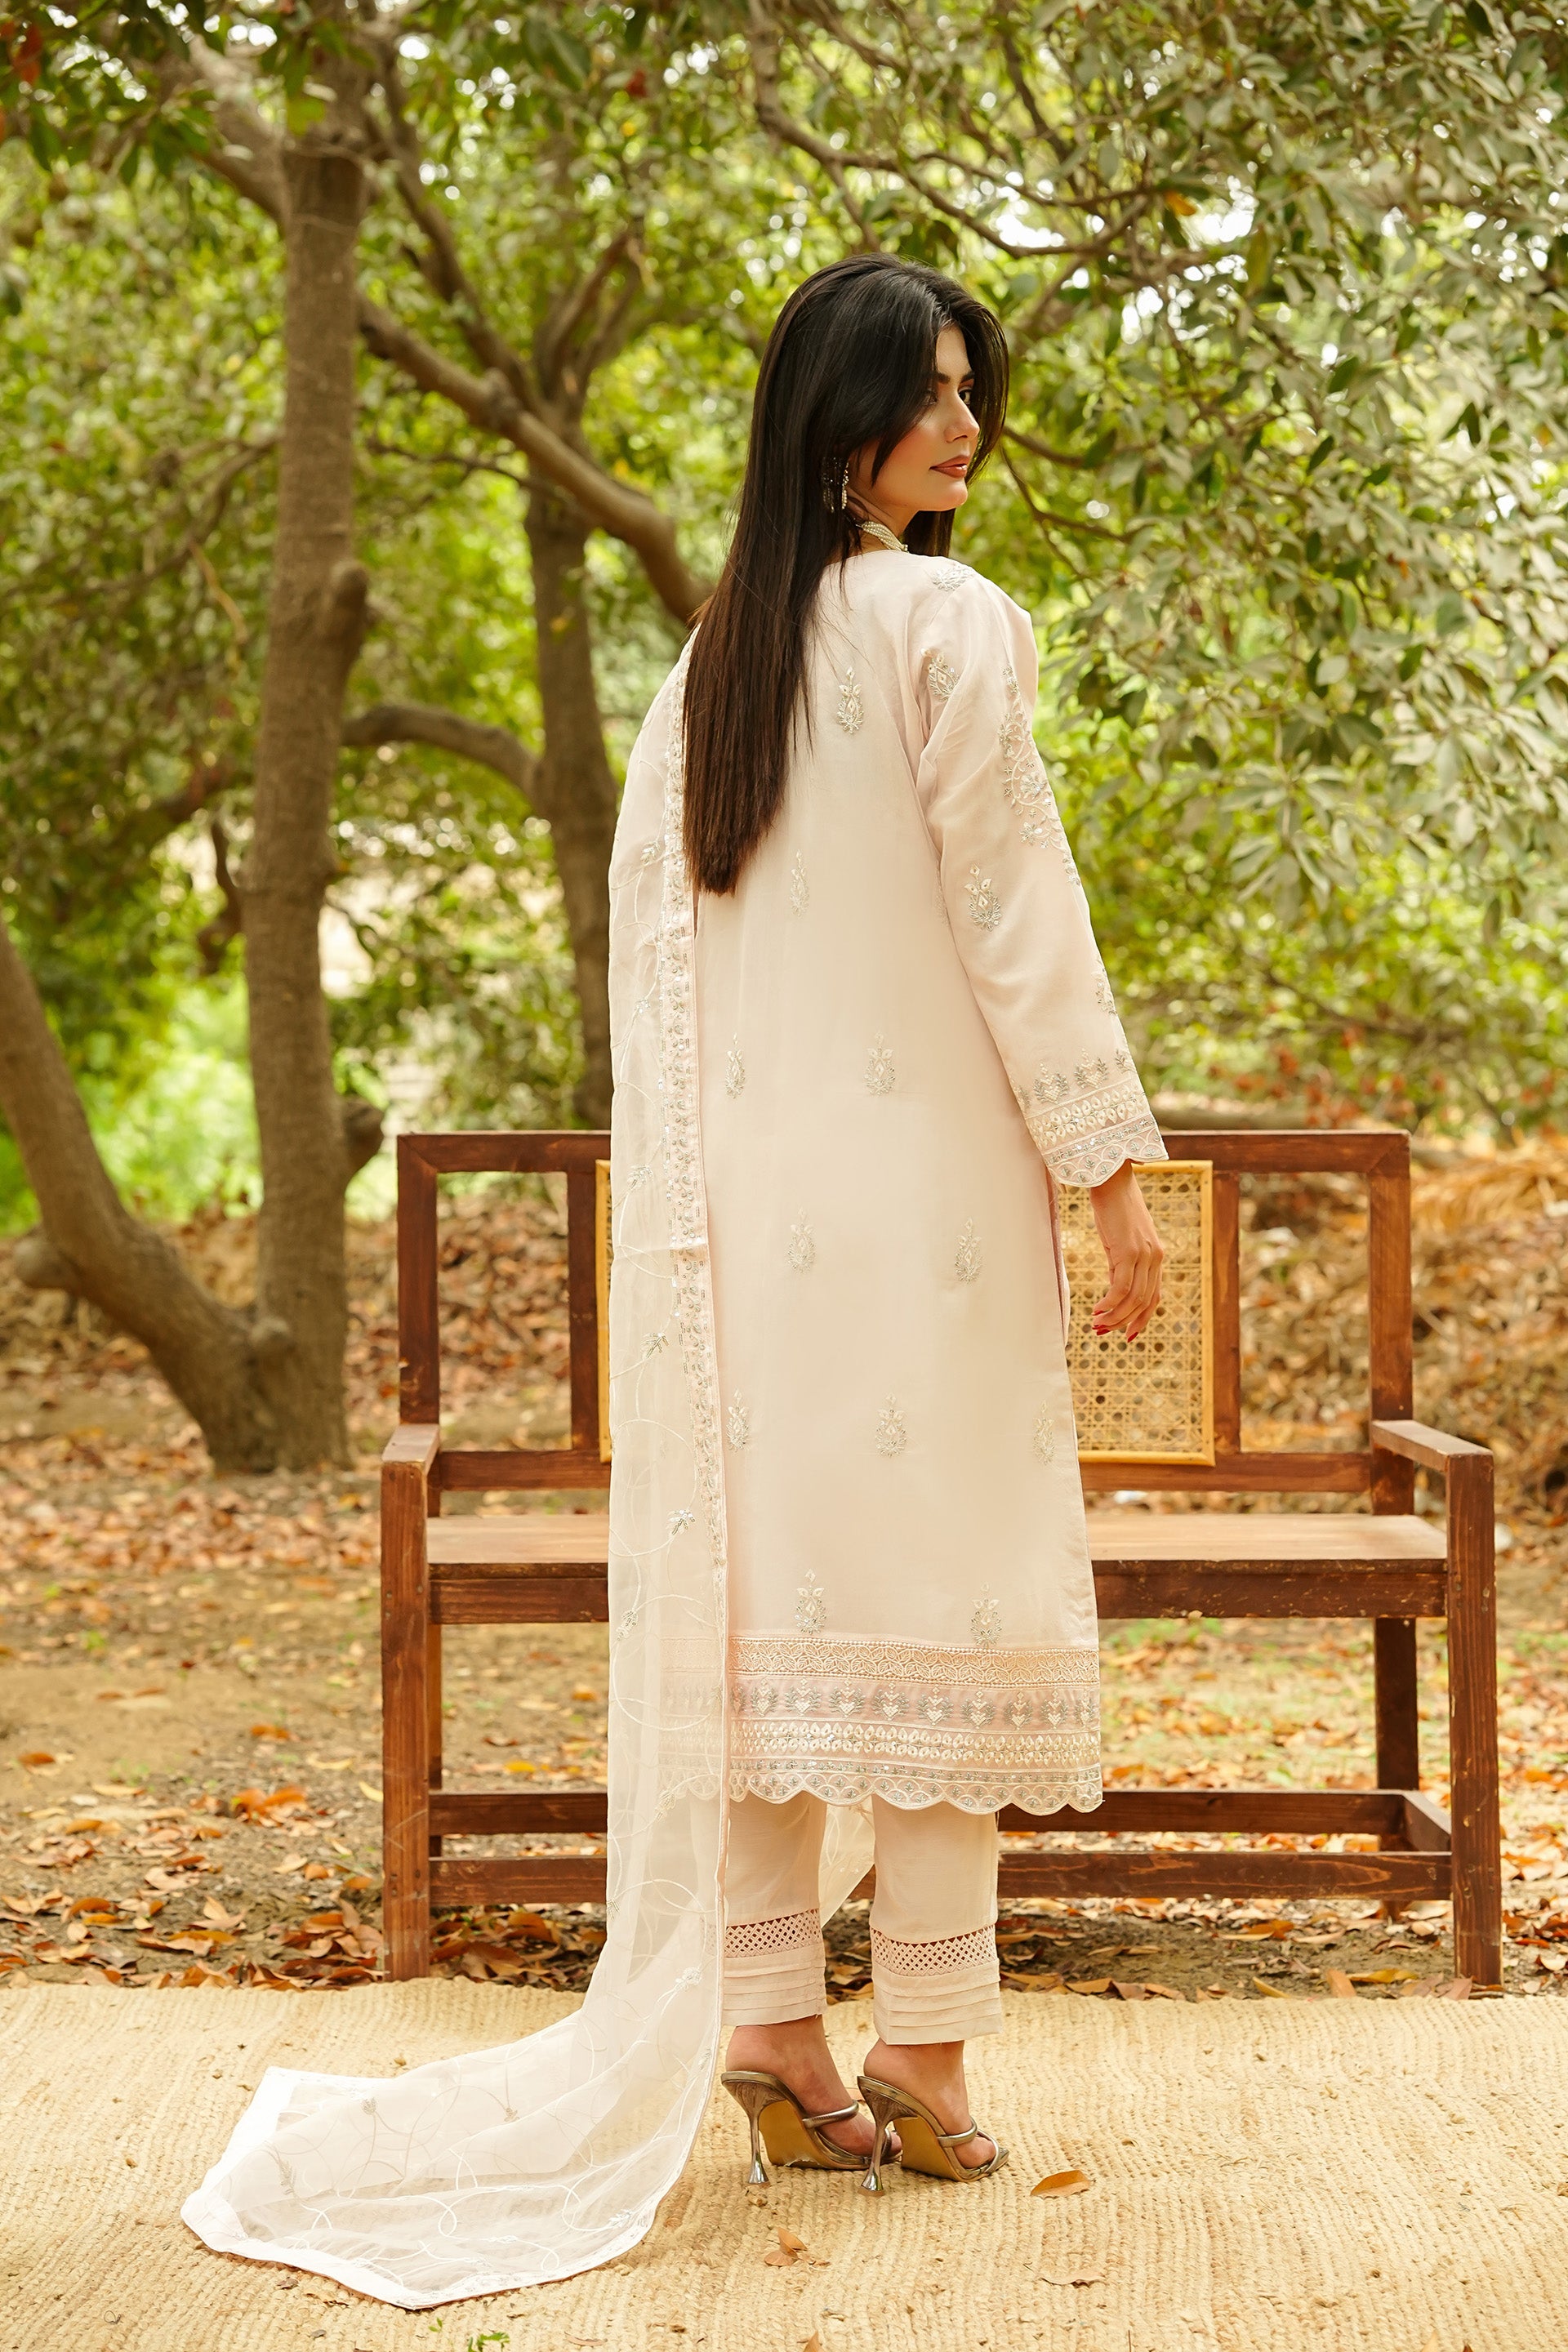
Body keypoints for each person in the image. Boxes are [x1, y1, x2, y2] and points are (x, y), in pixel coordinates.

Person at [179, 256, 1163, 2309]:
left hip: (751, 1260)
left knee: (776, 1634)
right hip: (928, 1234)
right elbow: (1015, 906)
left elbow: (672, 981)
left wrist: (694, 1254)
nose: (963, 427)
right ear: (833, 421)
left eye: (971, 389)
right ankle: (923, 2053)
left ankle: (773, 2031)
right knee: (953, 1619)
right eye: (924, 393)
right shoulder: (951, 626)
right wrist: (1110, 1172)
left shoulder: (716, 661)